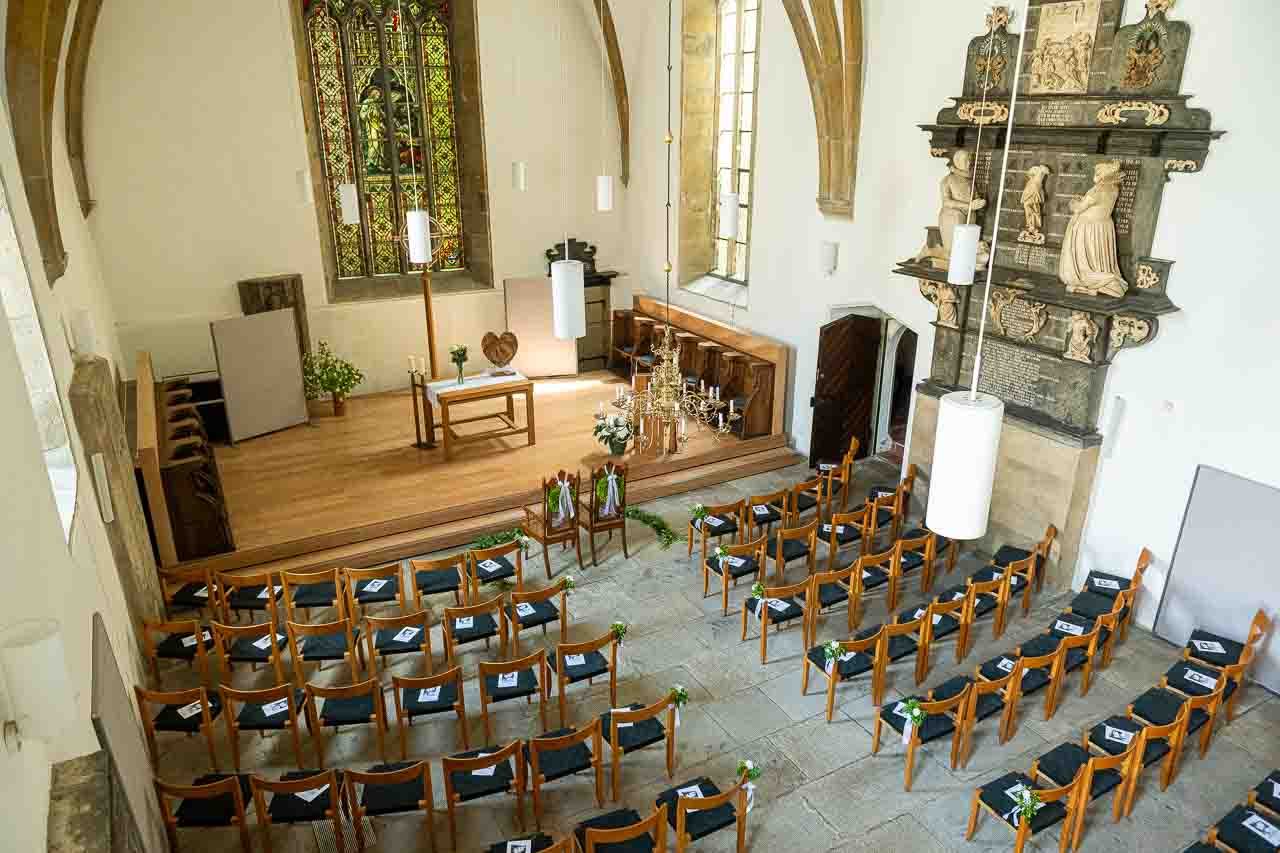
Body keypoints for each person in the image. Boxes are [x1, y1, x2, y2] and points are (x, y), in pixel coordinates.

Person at [1059, 161, 1128, 297]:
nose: (1095, 176)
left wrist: (1073, 201)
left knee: (1085, 258)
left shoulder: (1097, 190)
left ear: (1102, 176)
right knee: (1096, 259)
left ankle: (1094, 281)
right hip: (1103, 227)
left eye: (1097, 173)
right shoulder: (1113, 188)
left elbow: (1078, 208)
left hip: (1088, 228)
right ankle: (1100, 281)